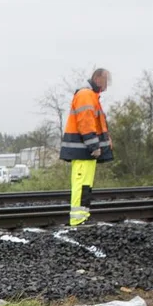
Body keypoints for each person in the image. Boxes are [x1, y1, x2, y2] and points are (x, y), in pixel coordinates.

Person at [60, 69, 114, 226]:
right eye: (105, 81)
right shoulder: (86, 95)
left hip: (85, 151)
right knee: (81, 184)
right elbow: (85, 122)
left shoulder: (90, 96)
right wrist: (93, 145)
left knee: (85, 185)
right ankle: (78, 219)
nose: (106, 86)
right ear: (97, 78)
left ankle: (82, 217)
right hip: (83, 150)